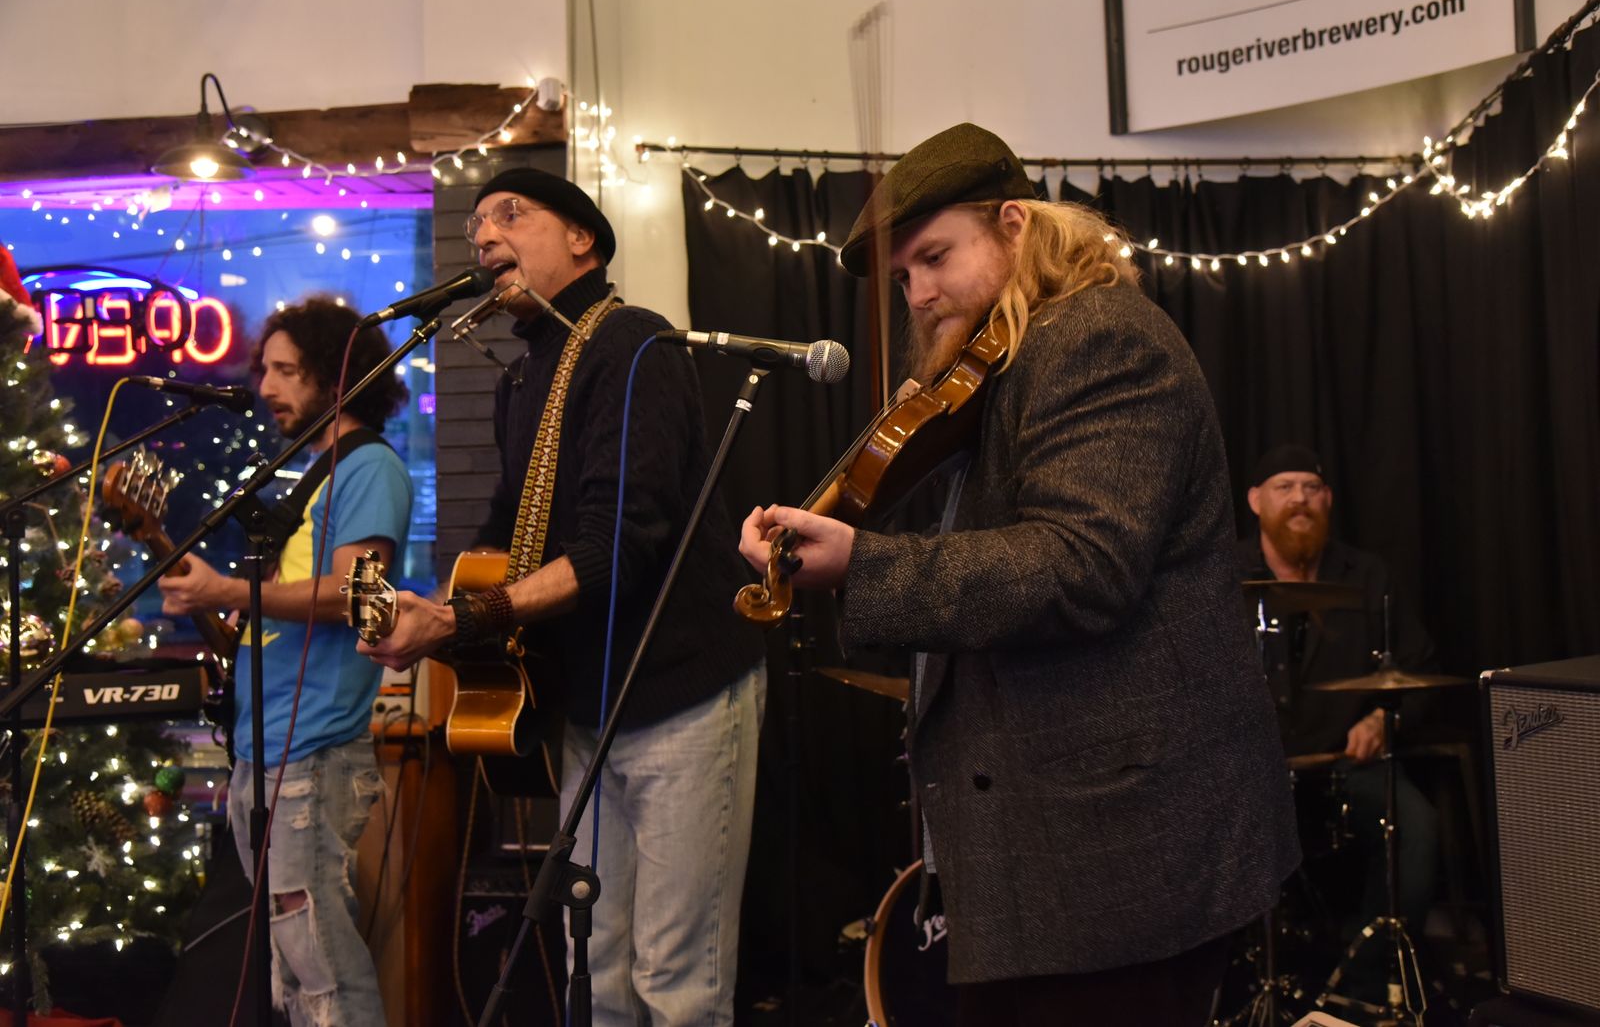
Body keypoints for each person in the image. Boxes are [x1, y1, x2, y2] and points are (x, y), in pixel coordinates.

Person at [738, 123, 1300, 1026]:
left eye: (935, 257)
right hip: (1055, 853)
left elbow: (1083, 565)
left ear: (1015, 225)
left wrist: (861, 563)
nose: (920, 294)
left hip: (1124, 849)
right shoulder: (1004, 361)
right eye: (903, 278)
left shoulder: (1100, 336)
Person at [359, 168, 765, 1026]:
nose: (484, 238)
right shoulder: (519, 378)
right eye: (475, 227)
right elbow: (508, 535)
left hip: (681, 691)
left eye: (510, 214)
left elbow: (617, 547)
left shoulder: (636, 345)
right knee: (599, 970)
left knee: (675, 981)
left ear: (583, 238)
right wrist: (426, 606)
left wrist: (461, 620)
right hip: (589, 708)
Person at [158, 297, 413, 1026]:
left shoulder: (368, 467)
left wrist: (226, 589)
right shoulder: (315, 474)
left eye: (286, 371)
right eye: (263, 370)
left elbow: (355, 596)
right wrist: (217, 600)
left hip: (313, 750)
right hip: (265, 750)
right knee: (293, 977)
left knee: (323, 968)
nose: (266, 387)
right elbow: (267, 624)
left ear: (336, 377)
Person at [1239, 444, 1439, 948]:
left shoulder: (1367, 575)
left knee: (1413, 826)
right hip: (1249, 769)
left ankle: (1365, 977)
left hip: (1347, 766)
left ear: (1327, 499)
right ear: (1256, 501)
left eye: (1311, 488)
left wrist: (1382, 721)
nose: (1299, 499)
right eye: (1285, 488)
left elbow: (1416, 668)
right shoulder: (1225, 576)